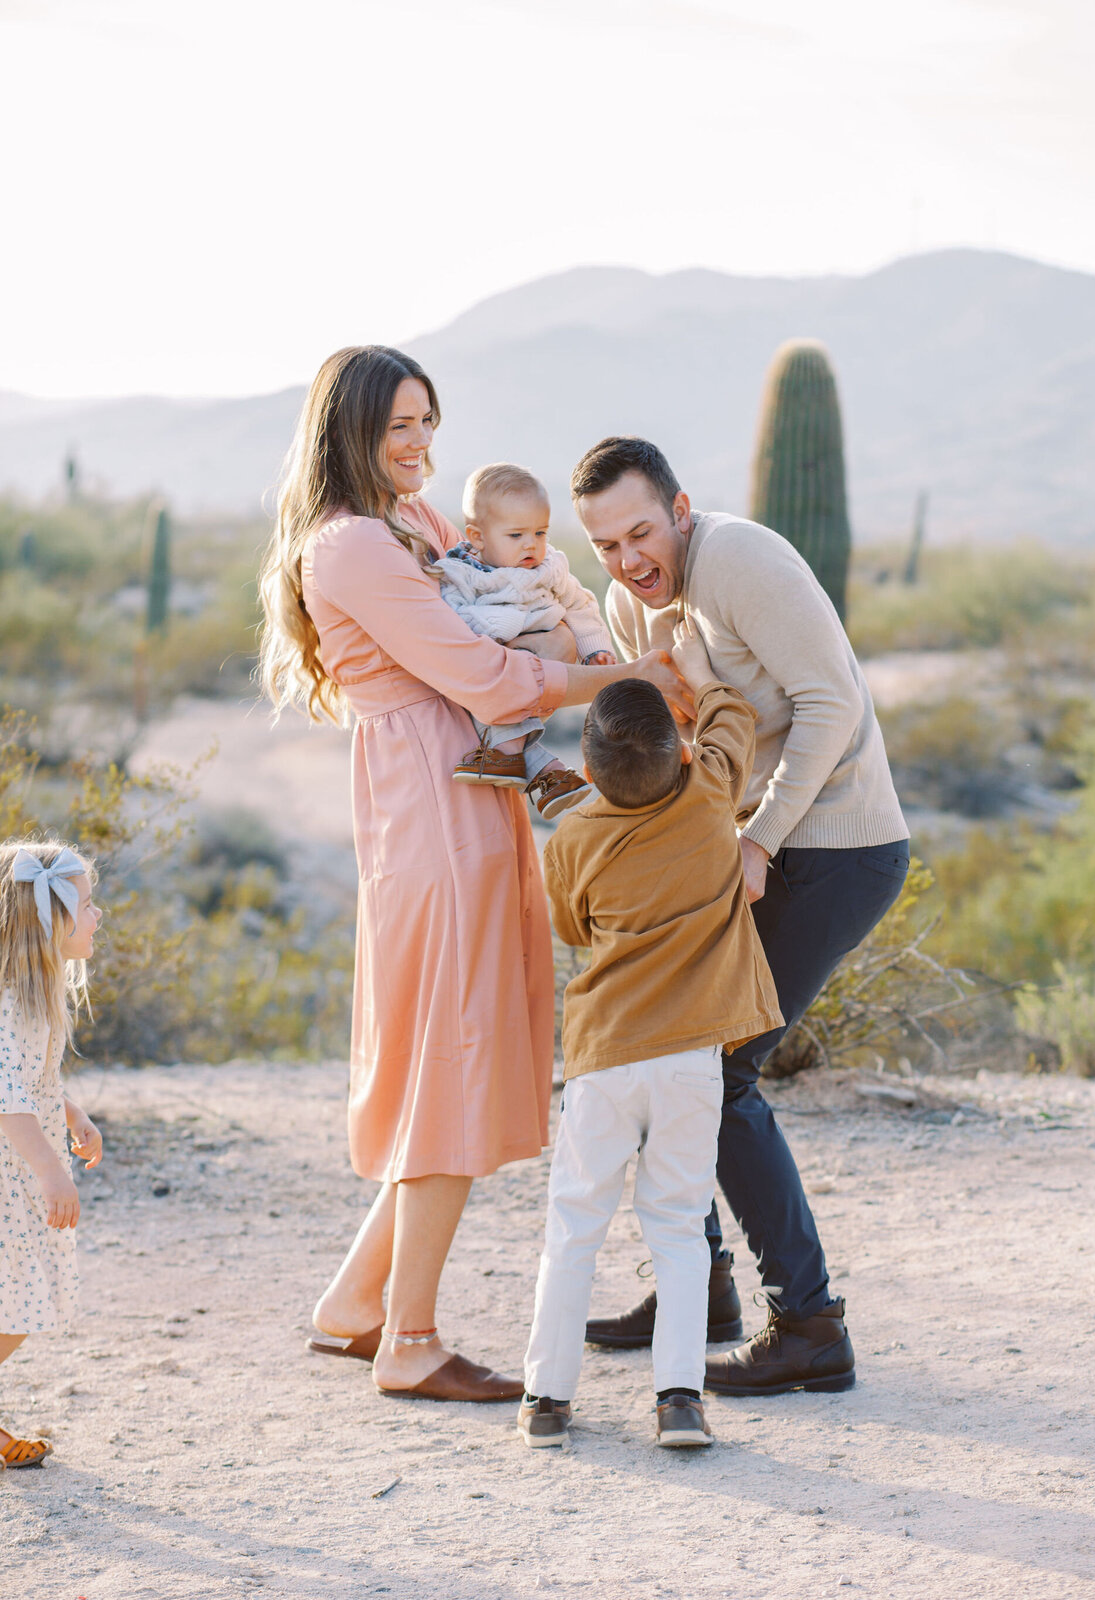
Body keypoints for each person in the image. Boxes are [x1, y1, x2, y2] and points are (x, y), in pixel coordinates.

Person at [258, 347, 692, 1403]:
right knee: (446, 1057)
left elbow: (521, 586)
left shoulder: (422, 526)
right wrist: (624, 674)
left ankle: (357, 1306)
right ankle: (409, 1340)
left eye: (427, 423)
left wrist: (600, 626)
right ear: (348, 431)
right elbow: (486, 672)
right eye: (398, 425)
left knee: (455, 1048)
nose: (418, 445)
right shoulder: (352, 545)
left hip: (471, 794)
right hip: (429, 804)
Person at [571, 435, 909, 1397]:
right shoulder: (632, 606)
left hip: (837, 847)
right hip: (757, 847)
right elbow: (682, 743)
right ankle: (699, 1289)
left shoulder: (740, 558)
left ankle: (809, 1326)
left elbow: (831, 704)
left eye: (642, 531)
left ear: (679, 508)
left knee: (719, 1070)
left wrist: (755, 841)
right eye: (607, 545)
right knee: (666, 1051)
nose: (630, 558)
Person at [519, 618, 781, 1449]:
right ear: (679, 753)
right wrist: (696, 675)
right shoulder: (709, 796)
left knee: (575, 1227)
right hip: (692, 1063)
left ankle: (546, 1400)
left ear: (591, 771)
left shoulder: (573, 839)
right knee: (675, 1227)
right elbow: (736, 720)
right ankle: (678, 1402)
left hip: (605, 1060)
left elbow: (572, 927)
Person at [0, 841, 105, 1469]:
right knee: (19, 1297)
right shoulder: (10, 1001)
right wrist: (48, 1172)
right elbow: (5, 1098)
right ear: (50, 921)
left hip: (23, 1160)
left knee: (19, 1295)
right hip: (12, 1170)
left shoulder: (34, 992)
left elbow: (32, 1082)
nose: (97, 917)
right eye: (87, 905)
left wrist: (73, 1115)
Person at [436, 461, 616, 818]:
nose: (531, 546)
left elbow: (579, 604)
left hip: (542, 658)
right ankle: (551, 777)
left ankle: (505, 757)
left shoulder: (549, 568)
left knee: (499, 691)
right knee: (485, 683)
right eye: (516, 536)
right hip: (500, 662)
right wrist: (496, 624)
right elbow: (452, 617)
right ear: (477, 537)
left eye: (541, 533)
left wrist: (595, 648)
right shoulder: (463, 576)